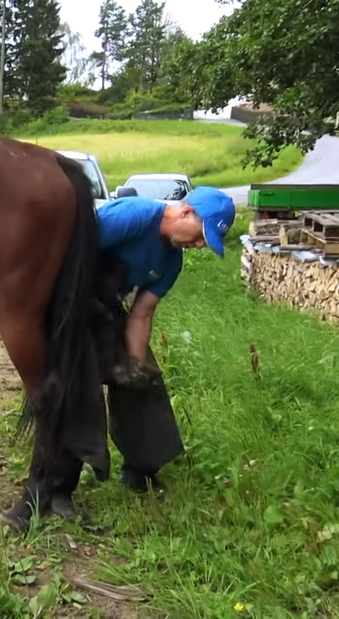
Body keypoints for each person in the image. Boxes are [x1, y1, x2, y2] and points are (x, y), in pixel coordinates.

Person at [94, 185, 236, 494]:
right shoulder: (135, 216)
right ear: (186, 212)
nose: (199, 245)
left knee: (145, 381)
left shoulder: (172, 262)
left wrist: (134, 362)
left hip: (106, 308)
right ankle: (67, 472)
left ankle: (140, 471)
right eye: (200, 235)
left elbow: (142, 314)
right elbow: (70, 252)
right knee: (79, 381)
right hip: (68, 299)